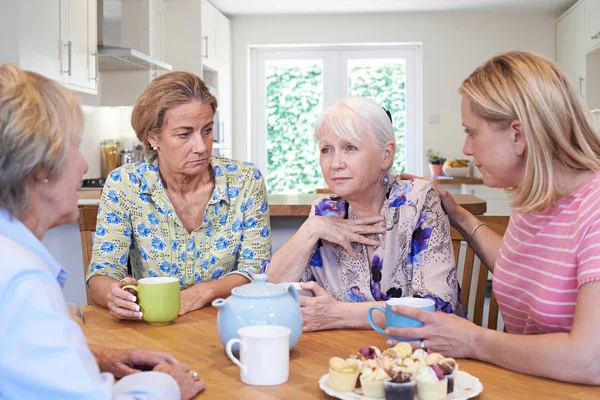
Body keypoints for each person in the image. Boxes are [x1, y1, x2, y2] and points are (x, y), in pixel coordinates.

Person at [388, 51, 600, 385]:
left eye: (471, 132)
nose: (466, 148)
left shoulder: (595, 208)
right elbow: (524, 272)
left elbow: (590, 360)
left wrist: (472, 340)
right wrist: (457, 215)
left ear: (518, 135)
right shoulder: (536, 197)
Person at [0, 64, 205, 398]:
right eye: (75, 146)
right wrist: (169, 386)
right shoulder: (23, 284)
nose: (83, 165)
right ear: (39, 168)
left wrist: (101, 356)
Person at [267, 96, 465, 332]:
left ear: (386, 155)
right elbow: (270, 294)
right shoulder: (325, 210)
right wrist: (311, 228)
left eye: (350, 147)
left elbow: (437, 308)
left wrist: (337, 314)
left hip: (415, 356)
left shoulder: (417, 199)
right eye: (326, 150)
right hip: (341, 355)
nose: (335, 163)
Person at [87, 71, 271, 319]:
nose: (201, 146)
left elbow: (256, 271)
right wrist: (113, 294)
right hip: (153, 327)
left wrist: (203, 292)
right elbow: (103, 270)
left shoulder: (245, 180)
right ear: (153, 137)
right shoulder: (125, 184)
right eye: (184, 135)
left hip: (227, 324)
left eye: (207, 130)